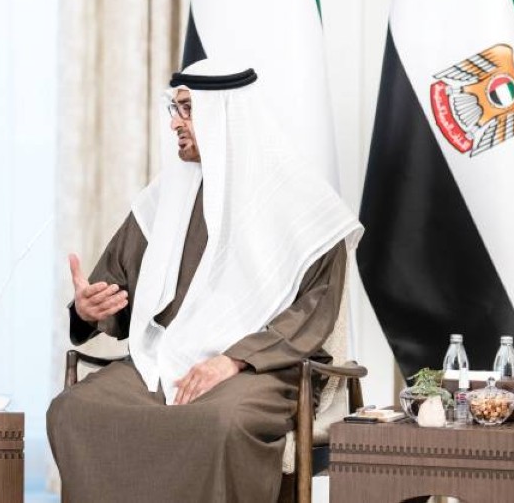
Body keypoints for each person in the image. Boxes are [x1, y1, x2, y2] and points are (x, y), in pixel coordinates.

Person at [47, 61, 363, 502]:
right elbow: (115, 287)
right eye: (175, 109)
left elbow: (314, 309)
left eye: (188, 110)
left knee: (221, 423)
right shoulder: (165, 198)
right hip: (164, 359)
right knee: (74, 410)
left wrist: (234, 360)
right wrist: (87, 310)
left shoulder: (300, 203)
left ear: (227, 114)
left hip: (262, 370)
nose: (175, 123)